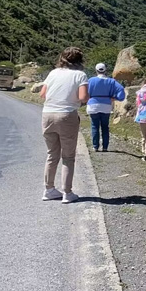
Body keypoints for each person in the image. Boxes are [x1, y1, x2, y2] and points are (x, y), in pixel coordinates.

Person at [39, 47, 89, 204]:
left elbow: (42, 94)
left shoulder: (53, 73)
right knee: (68, 156)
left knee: (52, 154)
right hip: (67, 115)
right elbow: (83, 97)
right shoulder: (80, 75)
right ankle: (67, 193)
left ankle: (49, 190)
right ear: (80, 60)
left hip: (47, 114)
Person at [86, 63, 126, 152]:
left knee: (94, 126)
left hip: (93, 105)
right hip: (106, 105)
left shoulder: (91, 80)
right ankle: (105, 147)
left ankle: (95, 146)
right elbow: (120, 89)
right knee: (105, 127)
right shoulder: (111, 81)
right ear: (105, 70)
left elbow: (85, 92)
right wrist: (116, 98)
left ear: (96, 70)